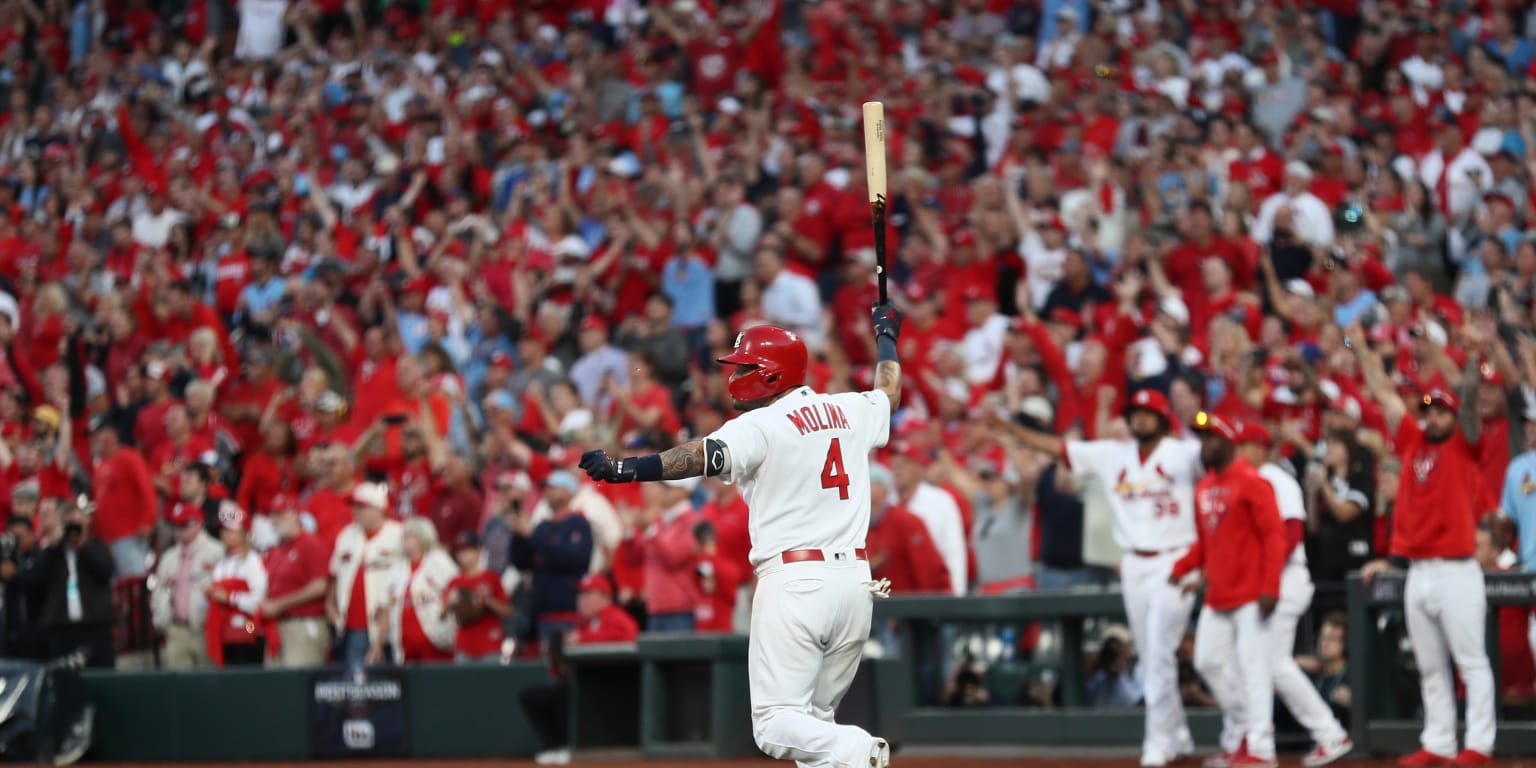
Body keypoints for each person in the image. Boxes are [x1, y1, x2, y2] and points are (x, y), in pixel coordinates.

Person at [579, 309, 904, 768]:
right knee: (814, 722)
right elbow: (888, 391)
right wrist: (887, 336)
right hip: (856, 584)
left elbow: (700, 456)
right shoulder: (849, 407)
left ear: (770, 374)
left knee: (775, 724)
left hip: (796, 581)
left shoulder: (764, 424)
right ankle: (849, 752)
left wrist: (627, 468)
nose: (734, 375)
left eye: (744, 367)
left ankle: (859, 748)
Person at [1000, 388, 1200, 767]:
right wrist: (1012, 430)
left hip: (1175, 559)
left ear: (1161, 418)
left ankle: (1157, 741)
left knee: (1158, 651)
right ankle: (1178, 734)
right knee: (1153, 652)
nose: (1138, 418)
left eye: (1146, 412)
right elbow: (1059, 449)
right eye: (1134, 412)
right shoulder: (1113, 454)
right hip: (1134, 564)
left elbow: (1223, 458)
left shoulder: (1183, 453)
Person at [1353, 324, 1496, 768]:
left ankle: (1479, 745)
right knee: (1431, 667)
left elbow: (1470, 405)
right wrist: (1359, 348)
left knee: (1470, 664)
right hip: (1419, 571)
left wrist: (1472, 357)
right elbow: (1386, 397)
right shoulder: (1414, 441)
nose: (1432, 418)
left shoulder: (1464, 444)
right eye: (1429, 411)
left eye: (1440, 412)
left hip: (1457, 569)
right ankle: (1438, 743)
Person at [1168, 412, 1286, 768]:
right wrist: (1181, 567)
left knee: (1254, 669)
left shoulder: (1252, 480)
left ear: (1227, 441)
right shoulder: (1204, 486)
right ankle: (1243, 732)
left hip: (1251, 593)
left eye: (1209, 439)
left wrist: (1270, 587)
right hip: (1218, 594)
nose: (1204, 446)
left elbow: (1274, 537)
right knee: (1207, 661)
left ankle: (1261, 749)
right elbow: (1205, 543)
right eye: (1201, 439)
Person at [1234, 422, 1353, 767]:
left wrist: (1262, 576)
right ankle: (1261, 740)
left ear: (1262, 448)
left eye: (1245, 445)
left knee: (1273, 664)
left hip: (1284, 579)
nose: (1239, 452)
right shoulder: (1252, 481)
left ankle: (1328, 734)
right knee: (1266, 664)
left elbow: (1290, 532)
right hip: (1273, 580)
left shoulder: (1275, 477)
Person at [519, 573, 640, 767]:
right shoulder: (583, 624)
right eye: (579, 595)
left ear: (605, 597)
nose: (580, 600)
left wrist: (580, 641)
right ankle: (556, 746)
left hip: (615, 687)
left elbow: (626, 637)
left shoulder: (616, 616)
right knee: (532, 695)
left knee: (563, 691)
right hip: (586, 684)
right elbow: (563, 667)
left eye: (587, 594)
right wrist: (556, 658)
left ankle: (571, 746)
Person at [510, 470, 594, 647]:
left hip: (567, 610)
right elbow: (520, 562)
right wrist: (518, 536)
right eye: (546, 488)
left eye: (553, 488)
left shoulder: (578, 524)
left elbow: (572, 559)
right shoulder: (542, 527)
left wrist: (532, 537)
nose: (547, 492)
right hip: (540, 612)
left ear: (568, 492)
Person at [330, 482, 405, 669]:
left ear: (379, 508)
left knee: (392, 687)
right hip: (351, 627)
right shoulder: (347, 534)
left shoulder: (399, 534)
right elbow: (334, 576)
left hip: (392, 626)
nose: (355, 511)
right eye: (354, 506)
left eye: (362, 507)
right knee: (356, 688)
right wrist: (331, 609)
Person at [37, 498, 116, 667]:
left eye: (78, 522)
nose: (74, 528)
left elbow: (105, 572)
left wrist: (82, 546)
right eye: (69, 524)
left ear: (87, 522)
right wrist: (52, 547)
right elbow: (36, 581)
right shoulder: (52, 553)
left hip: (95, 630)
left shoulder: (97, 546)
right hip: (62, 632)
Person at [259, 494, 331, 668]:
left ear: (295, 515)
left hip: (303, 624)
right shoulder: (276, 549)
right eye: (273, 515)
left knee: (298, 685)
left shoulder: (311, 544)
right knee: (275, 687)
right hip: (278, 626)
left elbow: (321, 586)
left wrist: (280, 604)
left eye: (280, 515)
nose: (275, 520)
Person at [150, 502, 223, 669]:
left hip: (206, 630)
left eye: (184, 525)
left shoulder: (216, 551)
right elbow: (158, 592)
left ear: (198, 523)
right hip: (177, 629)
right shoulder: (169, 557)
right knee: (180, 686)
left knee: (208, 685)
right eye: (176, 525)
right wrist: (161, 620)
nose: (179, 530)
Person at [379, 518, 458, 665]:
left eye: (410, 536)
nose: (405, 540)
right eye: (404, 536)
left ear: (423, 537)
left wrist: (445, 616)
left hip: (434, 638)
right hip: (404, 642)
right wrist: (377, 645)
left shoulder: (438, 560)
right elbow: (385, 605)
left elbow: (456, 591)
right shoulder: (398, 566)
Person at [865, 464, 952, 594]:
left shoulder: (905, 521)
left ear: (883, 489)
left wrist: (929, 607)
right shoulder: (860, 525)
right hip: (875, 606)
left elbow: (928, 568)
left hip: (908, 606)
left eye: (870, 484)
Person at [88, 416, 156, 577]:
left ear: (111, 434)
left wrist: (147, 522)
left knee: (133, 584)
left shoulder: (129, 457)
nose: (94, 439)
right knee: (117, 591)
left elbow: (146, 490)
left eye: (98, 434)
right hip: (106, 540)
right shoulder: (99, 465)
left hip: (129, 535)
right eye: (93, 436)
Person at [205, 501, 268, 666]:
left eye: (229, 530)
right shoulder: (222, 564)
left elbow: (259, 600)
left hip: (248, 629)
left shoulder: (253, 561)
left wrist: (230, 597)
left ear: (243, 532)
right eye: (223, 530)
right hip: (225, 633)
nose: (224, 534)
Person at [642, 476, 705, 632]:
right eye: (663, 487)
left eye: (669, 488)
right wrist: (629, 534)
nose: (663, 492)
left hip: (679, 609)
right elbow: (637, 556)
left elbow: (674, 557)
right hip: (656, 606)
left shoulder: (693, 520)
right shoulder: (659, 519)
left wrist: (651, 531)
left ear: (684, 491)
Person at [444, 532, 511, 662]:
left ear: (478, 551)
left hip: (490, 641)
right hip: (464, 643)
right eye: (459, 551)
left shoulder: (491, 578)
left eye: (467, 550)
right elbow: (441, 614)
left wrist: (487, 601)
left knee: (491, 681)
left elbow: (508, 612)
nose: (462, 554)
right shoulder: (454, 581)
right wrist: (450, 602)